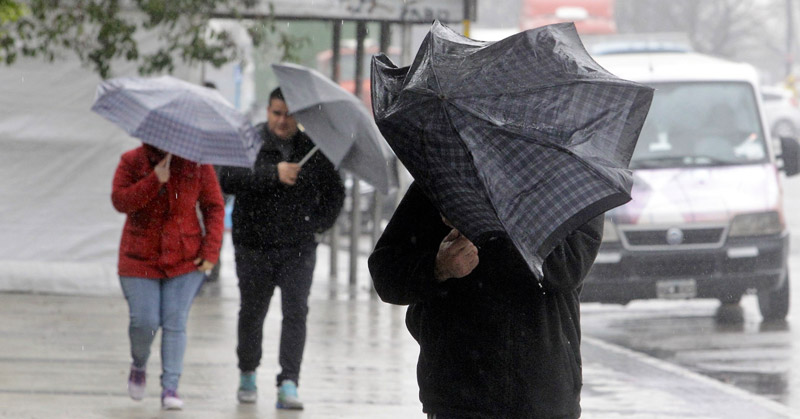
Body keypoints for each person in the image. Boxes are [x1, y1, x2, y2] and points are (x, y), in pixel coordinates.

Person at [368, 182, 603, 419]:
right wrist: (437, 267)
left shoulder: (573, 186)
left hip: (544, 392)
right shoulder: (446, 181)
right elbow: (386, 273)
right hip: (457, 391)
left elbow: (566, 267)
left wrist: (484, 226)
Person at [218, 87, 345, 409]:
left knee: (296, 313)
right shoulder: (250, 141)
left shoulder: (314, 148)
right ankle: (247, 371)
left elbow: (335, 192)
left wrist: (318, 225)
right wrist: (272, 174)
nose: (282, 120)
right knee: (252, 312)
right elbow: (227, 179)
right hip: (253, 245)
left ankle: (289, 381)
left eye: (289, 114)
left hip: (298, 247)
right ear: (267, 111)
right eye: (276, 112)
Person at [111, 144, 224, 410]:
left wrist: (211, 250)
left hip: (185, 258)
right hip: (140, 258)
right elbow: (120, 201)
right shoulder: (131, 161)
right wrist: (154, 180)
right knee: (145, 321)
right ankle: (139, 363)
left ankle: (170, 386)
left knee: (175, 321)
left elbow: (214, 206)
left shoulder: (197, 163)